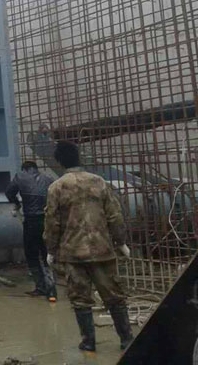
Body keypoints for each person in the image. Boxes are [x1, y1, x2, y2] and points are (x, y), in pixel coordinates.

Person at [44, 140, 133, 352]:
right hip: (102, 250)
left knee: (80, 300)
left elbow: (52, 222)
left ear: (59, 162)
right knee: (115, 297)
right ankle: (126, 339)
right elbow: (114, 215)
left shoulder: (56, 187)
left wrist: (51, 250)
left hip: (73, 254)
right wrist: (121, 242)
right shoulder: (99, 182)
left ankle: (88, 342)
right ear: (79, 158)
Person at [6, 159, 57, 301]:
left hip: (31, 221)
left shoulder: (20, 177)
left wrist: (17, 204)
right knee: (47, 254)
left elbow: (9, 192)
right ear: (36, 168)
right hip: (47, 221)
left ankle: (40, 287)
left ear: (24, 169)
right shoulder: (49, 179)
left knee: (32, 255)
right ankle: (52, 290)